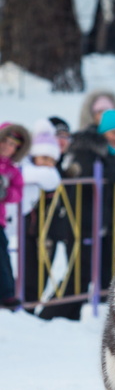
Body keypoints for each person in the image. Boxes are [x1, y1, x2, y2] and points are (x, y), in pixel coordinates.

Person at [39, 110, 115, 320]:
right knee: (78, 272)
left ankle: (69, 317)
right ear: (103, 131)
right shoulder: (87, 150)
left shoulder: (107, 154)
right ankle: (48, 316)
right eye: (114, 132)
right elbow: (88, 177)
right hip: (80, 220)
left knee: (84, 274)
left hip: (95, 221)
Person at [19, 120, 63, 306]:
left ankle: (33, 305)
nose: (47, 164)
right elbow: (45, 178)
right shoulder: (28, 172)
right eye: (44, 158)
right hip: (30, 232)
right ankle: (26, 306)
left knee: (43, 274)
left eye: (52, 160)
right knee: (28, 273)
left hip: (48, 233)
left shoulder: (53, 175)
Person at [0, 123, 31, 310]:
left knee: (2, 254)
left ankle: (7, 294)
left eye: (13, 145)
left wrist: (4, 192)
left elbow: (17, 193)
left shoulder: (12, 170)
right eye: (5, 141)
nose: (8, 147)